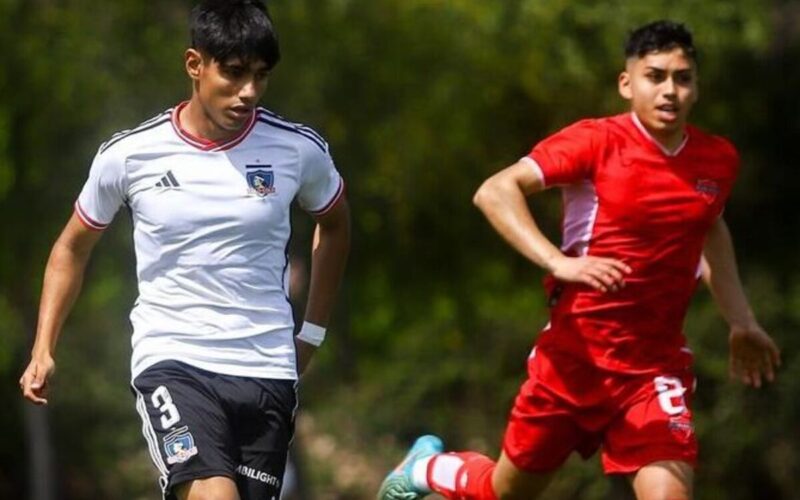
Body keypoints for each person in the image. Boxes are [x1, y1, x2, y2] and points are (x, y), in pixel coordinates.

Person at [378, 20, 780, 500]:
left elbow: (709, 226)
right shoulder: (594, 141)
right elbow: (495, 191)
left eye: (683, 78)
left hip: (653, 370)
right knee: (505, 492)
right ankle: (428, 469)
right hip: (573, 360)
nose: (670, 90)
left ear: (696, 87)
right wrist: (558, 262)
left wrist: (741, 320)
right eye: (655, 76)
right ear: (627, 83)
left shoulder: (717, 160)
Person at [19, 1, 350, 499]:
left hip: (267, 368)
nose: (249, 92)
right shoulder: (130, 155)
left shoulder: (297, 149)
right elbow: (71, 248)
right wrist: (44, 346)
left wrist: (313, 333)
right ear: (194, 64)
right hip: (175, 360)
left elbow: (337, 224)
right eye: (234, 74)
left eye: (261, 76)